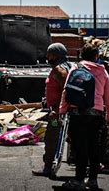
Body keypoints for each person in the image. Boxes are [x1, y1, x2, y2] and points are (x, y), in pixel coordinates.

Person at [59, 44, 109, 189]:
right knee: (94, 146)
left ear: (82, 55)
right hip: (96, 113)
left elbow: (67, 91)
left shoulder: (76, 68)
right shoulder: (103, 72)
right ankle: (93, 180)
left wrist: (62, 110)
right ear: (96, 56)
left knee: (79, 146)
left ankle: (78, 180)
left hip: (77, 112)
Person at [32, 43, 72, 177]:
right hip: (65, 110)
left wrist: (56, 108)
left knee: (51, 139)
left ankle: (47, 167)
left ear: (55, 54)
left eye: (49, 54)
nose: (47, 56)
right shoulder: (68, 66)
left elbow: (66, 90)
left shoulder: (59, 70)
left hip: (58, 112)